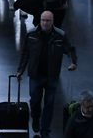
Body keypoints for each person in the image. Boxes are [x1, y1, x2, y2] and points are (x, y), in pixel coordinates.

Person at [17, 10, 78, 138]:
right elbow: (25, 54)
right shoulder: (31, 34)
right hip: (35, 75)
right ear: (40, 20)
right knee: (34, 101)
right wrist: (20, 71)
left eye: (48, 20)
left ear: (52, 21)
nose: (45, 23)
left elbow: (70, 49)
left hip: (52, 76)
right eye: (43, 20)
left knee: (49, 104)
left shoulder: (60, 35)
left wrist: (73, 62)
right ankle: (35, 118)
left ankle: (45, 131)